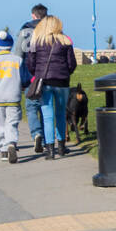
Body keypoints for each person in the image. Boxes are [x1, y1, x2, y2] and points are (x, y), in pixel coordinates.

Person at [25, 15, 76, 160]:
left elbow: (30, 63)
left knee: (47, 116)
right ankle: (61, 146)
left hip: (44, 82)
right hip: (62, 82)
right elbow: (72, 63)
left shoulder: (37, 41)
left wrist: (37, 73)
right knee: (60, 114)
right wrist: (66, 73)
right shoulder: (65, 40)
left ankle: (50, 150)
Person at [0, 30, 29, 164]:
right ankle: (11, 143)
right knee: (12, 122)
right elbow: (26, 79)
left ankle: (3, 151)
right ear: (11, 44)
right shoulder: (18, 60)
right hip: (13, 96)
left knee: (2, 123)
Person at [13, 4, 46, 154]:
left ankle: (36, 134)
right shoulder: (51, 28)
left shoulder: (25, 30)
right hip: (47, 73)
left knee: (31, 107)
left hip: (29, 74)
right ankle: (46, 140)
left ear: (33, 15)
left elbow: (18, 54)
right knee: (45, 107)